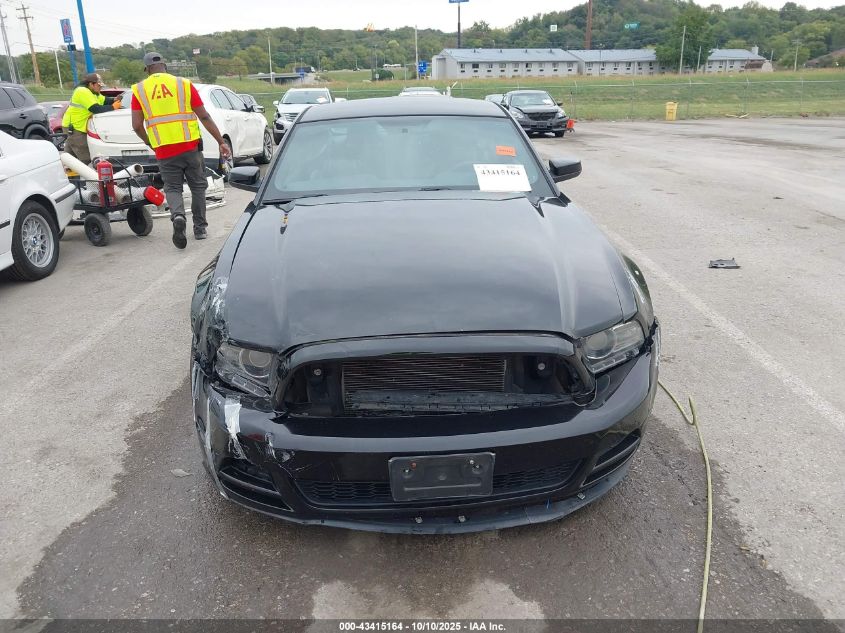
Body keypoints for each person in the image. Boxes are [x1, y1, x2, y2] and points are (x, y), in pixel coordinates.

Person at [130, 51, 231, 249]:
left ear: (147, 69)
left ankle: (178, 216)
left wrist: (150, 142)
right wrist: (221, 141)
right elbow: (204, 116)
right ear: (165, 66)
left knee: (173, 188)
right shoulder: (183, 84)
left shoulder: (139, 90)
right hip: (190, 147)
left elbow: (136, 125)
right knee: (198, 187)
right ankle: (200, 228)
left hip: (164, 150)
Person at [61, 73, 121, 165]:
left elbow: (104, 100)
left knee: (69, 158)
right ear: (91, 84)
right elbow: (95, 108)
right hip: (75, 128)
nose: (100, 88)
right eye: (98, 85)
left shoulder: (94, 93)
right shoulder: (82, 91)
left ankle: (67, 175)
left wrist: (114, 99)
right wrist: (113, 107)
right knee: (86, 158)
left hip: (76, 127)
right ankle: (84, 177)